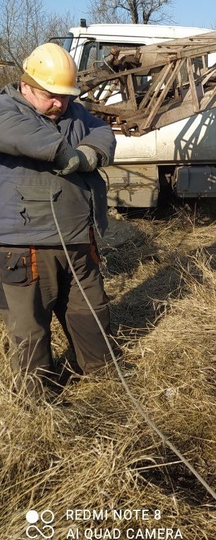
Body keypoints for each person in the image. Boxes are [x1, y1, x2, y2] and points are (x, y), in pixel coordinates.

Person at [0, 42, 117, 398]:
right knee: (30, 325)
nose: (60, 104)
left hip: (80, 237)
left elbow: (104, 132)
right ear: (25, 86)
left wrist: (87, 155)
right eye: (51, 96)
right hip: (27, 244)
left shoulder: (74, 112)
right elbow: (29, 137)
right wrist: (67, 152)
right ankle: (38, 397)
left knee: (91, 311)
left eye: (66, 97)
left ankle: (102, 377)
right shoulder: (6, 110)